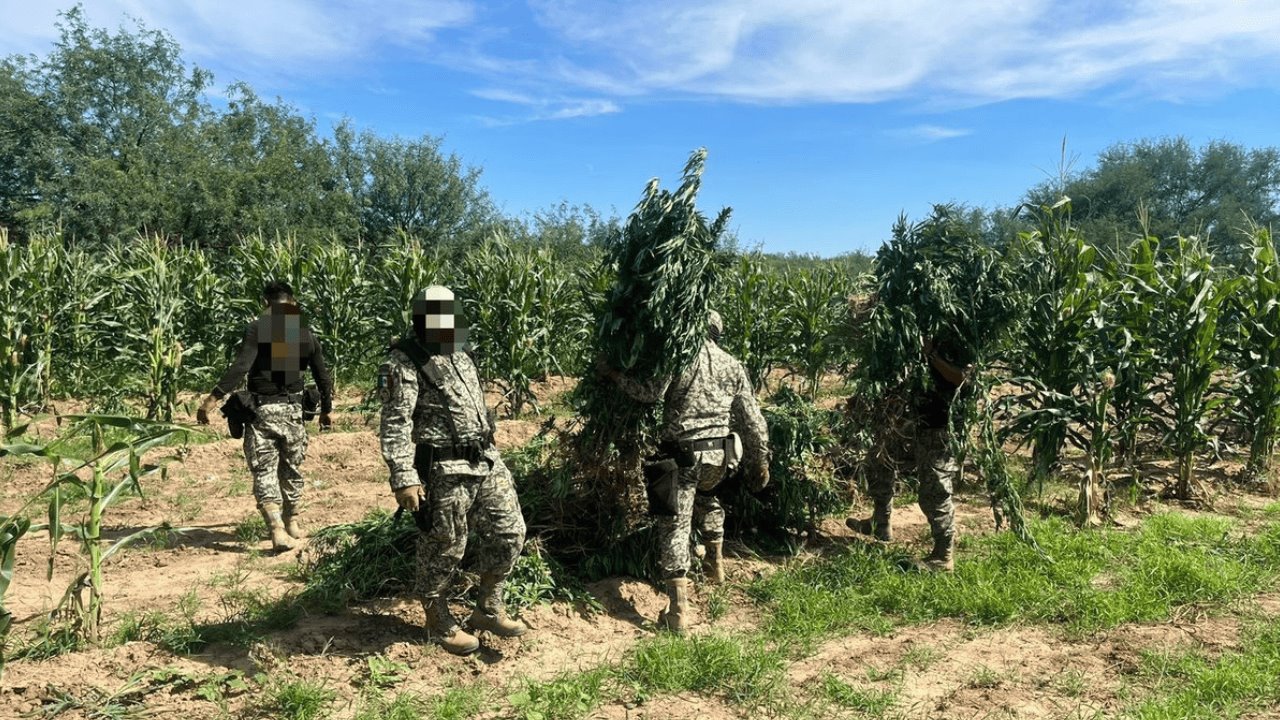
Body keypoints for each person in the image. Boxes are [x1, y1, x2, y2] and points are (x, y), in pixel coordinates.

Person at [378, 286, 527, 656]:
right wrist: (404, 476)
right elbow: (395, 422)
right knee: (445, 545)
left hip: (485, 459)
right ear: (424, 318)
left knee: (510, 531)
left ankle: (488, 609)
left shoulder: (461, 353)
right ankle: (437, 620)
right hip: (443, 468)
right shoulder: (405, 360)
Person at [603, 310, 770, 633]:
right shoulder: (732, 364)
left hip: (681, 454)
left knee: (674, 525)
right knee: (708, 496)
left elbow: (649, 393)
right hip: (719, 456)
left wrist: (613, 375)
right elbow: (753, 420)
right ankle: (715, 566)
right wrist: (760, 460)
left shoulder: (678, 357)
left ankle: (678, 610)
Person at [196, 281, 333, 552]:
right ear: (292, 303)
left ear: (266, 304)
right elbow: (322, 374)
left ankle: (276, 528)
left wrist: (213, 399)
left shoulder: (260, 328)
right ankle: (292, 520)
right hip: (294, 412)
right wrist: (327, 409)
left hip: (263, 413)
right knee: (292, 468)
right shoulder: (304, 332)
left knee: (264, 470)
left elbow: (241, 366)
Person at [846, 338, 968, 572]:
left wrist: (932, 354)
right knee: (880, 458)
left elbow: (963, 378)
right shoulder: (920, 326)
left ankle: (943, 555)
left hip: (940, 423)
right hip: (911, 415)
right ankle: (880, 522)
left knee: (934, 488)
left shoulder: (959, 335)